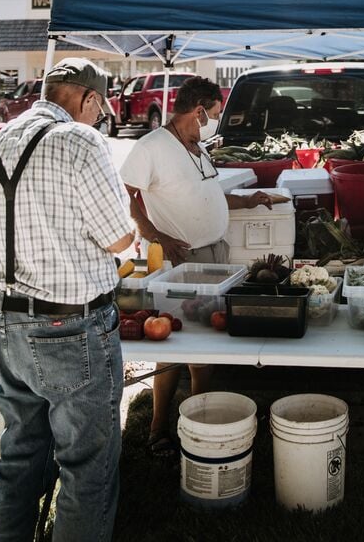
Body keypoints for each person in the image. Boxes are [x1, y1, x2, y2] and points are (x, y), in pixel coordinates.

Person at [0, 58, 134, 542]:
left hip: (0, 322)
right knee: (86, 460)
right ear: (86, 98)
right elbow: (120, 238)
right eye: (99, 106)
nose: (99, 116)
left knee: (20, 451)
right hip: (68, 327)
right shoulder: (81, 141)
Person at [120, 75, 273, 457]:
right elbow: (126, 195)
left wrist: (248, 200)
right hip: (183, 260)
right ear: (199, 111)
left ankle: (195, 419)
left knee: (205, 344)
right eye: (215, 114)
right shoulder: (153, 145)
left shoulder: (197, 147)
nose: (216, 122)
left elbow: (206, 194)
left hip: (215, 255)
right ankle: (158, 430)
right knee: (170, 343)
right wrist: (157, 236)